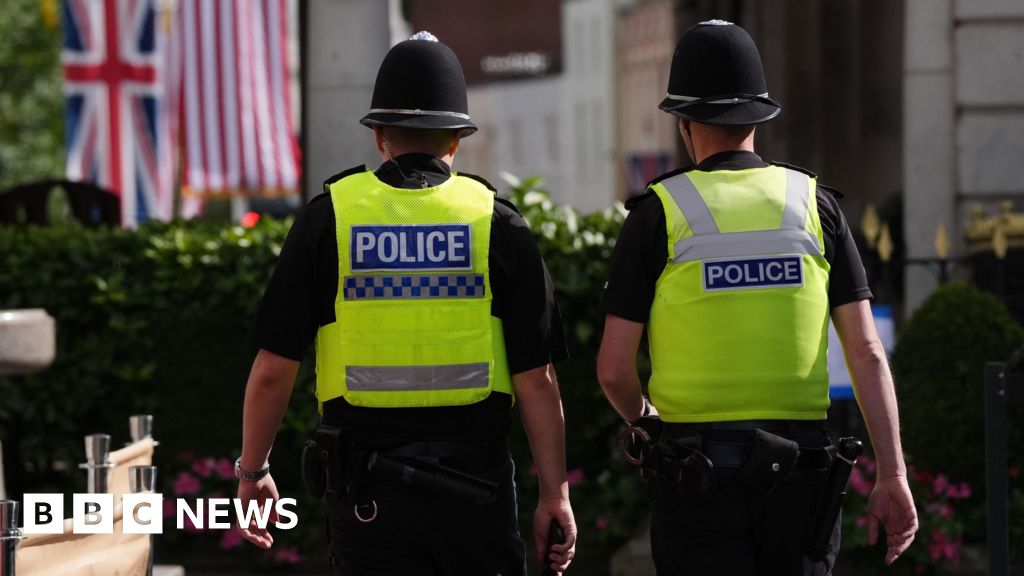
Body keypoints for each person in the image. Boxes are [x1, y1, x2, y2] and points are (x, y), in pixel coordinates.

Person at [234, 32, 576, 576]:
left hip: (368, 500)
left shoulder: (329, 219)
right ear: (456, 139)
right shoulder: (496, 222)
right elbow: (538, 379)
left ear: (379, 137)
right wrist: (554, 494)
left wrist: (253, 471)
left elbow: (274, 369)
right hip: (476, 498)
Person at [597, 20, 917, 575]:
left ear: (684, 122)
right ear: (758, 117)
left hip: (696, 478)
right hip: (801, 477)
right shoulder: (815, 205)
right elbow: (867, 352)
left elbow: (613, 369)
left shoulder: (658, 213)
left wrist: (643, 418)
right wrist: (892, 474)